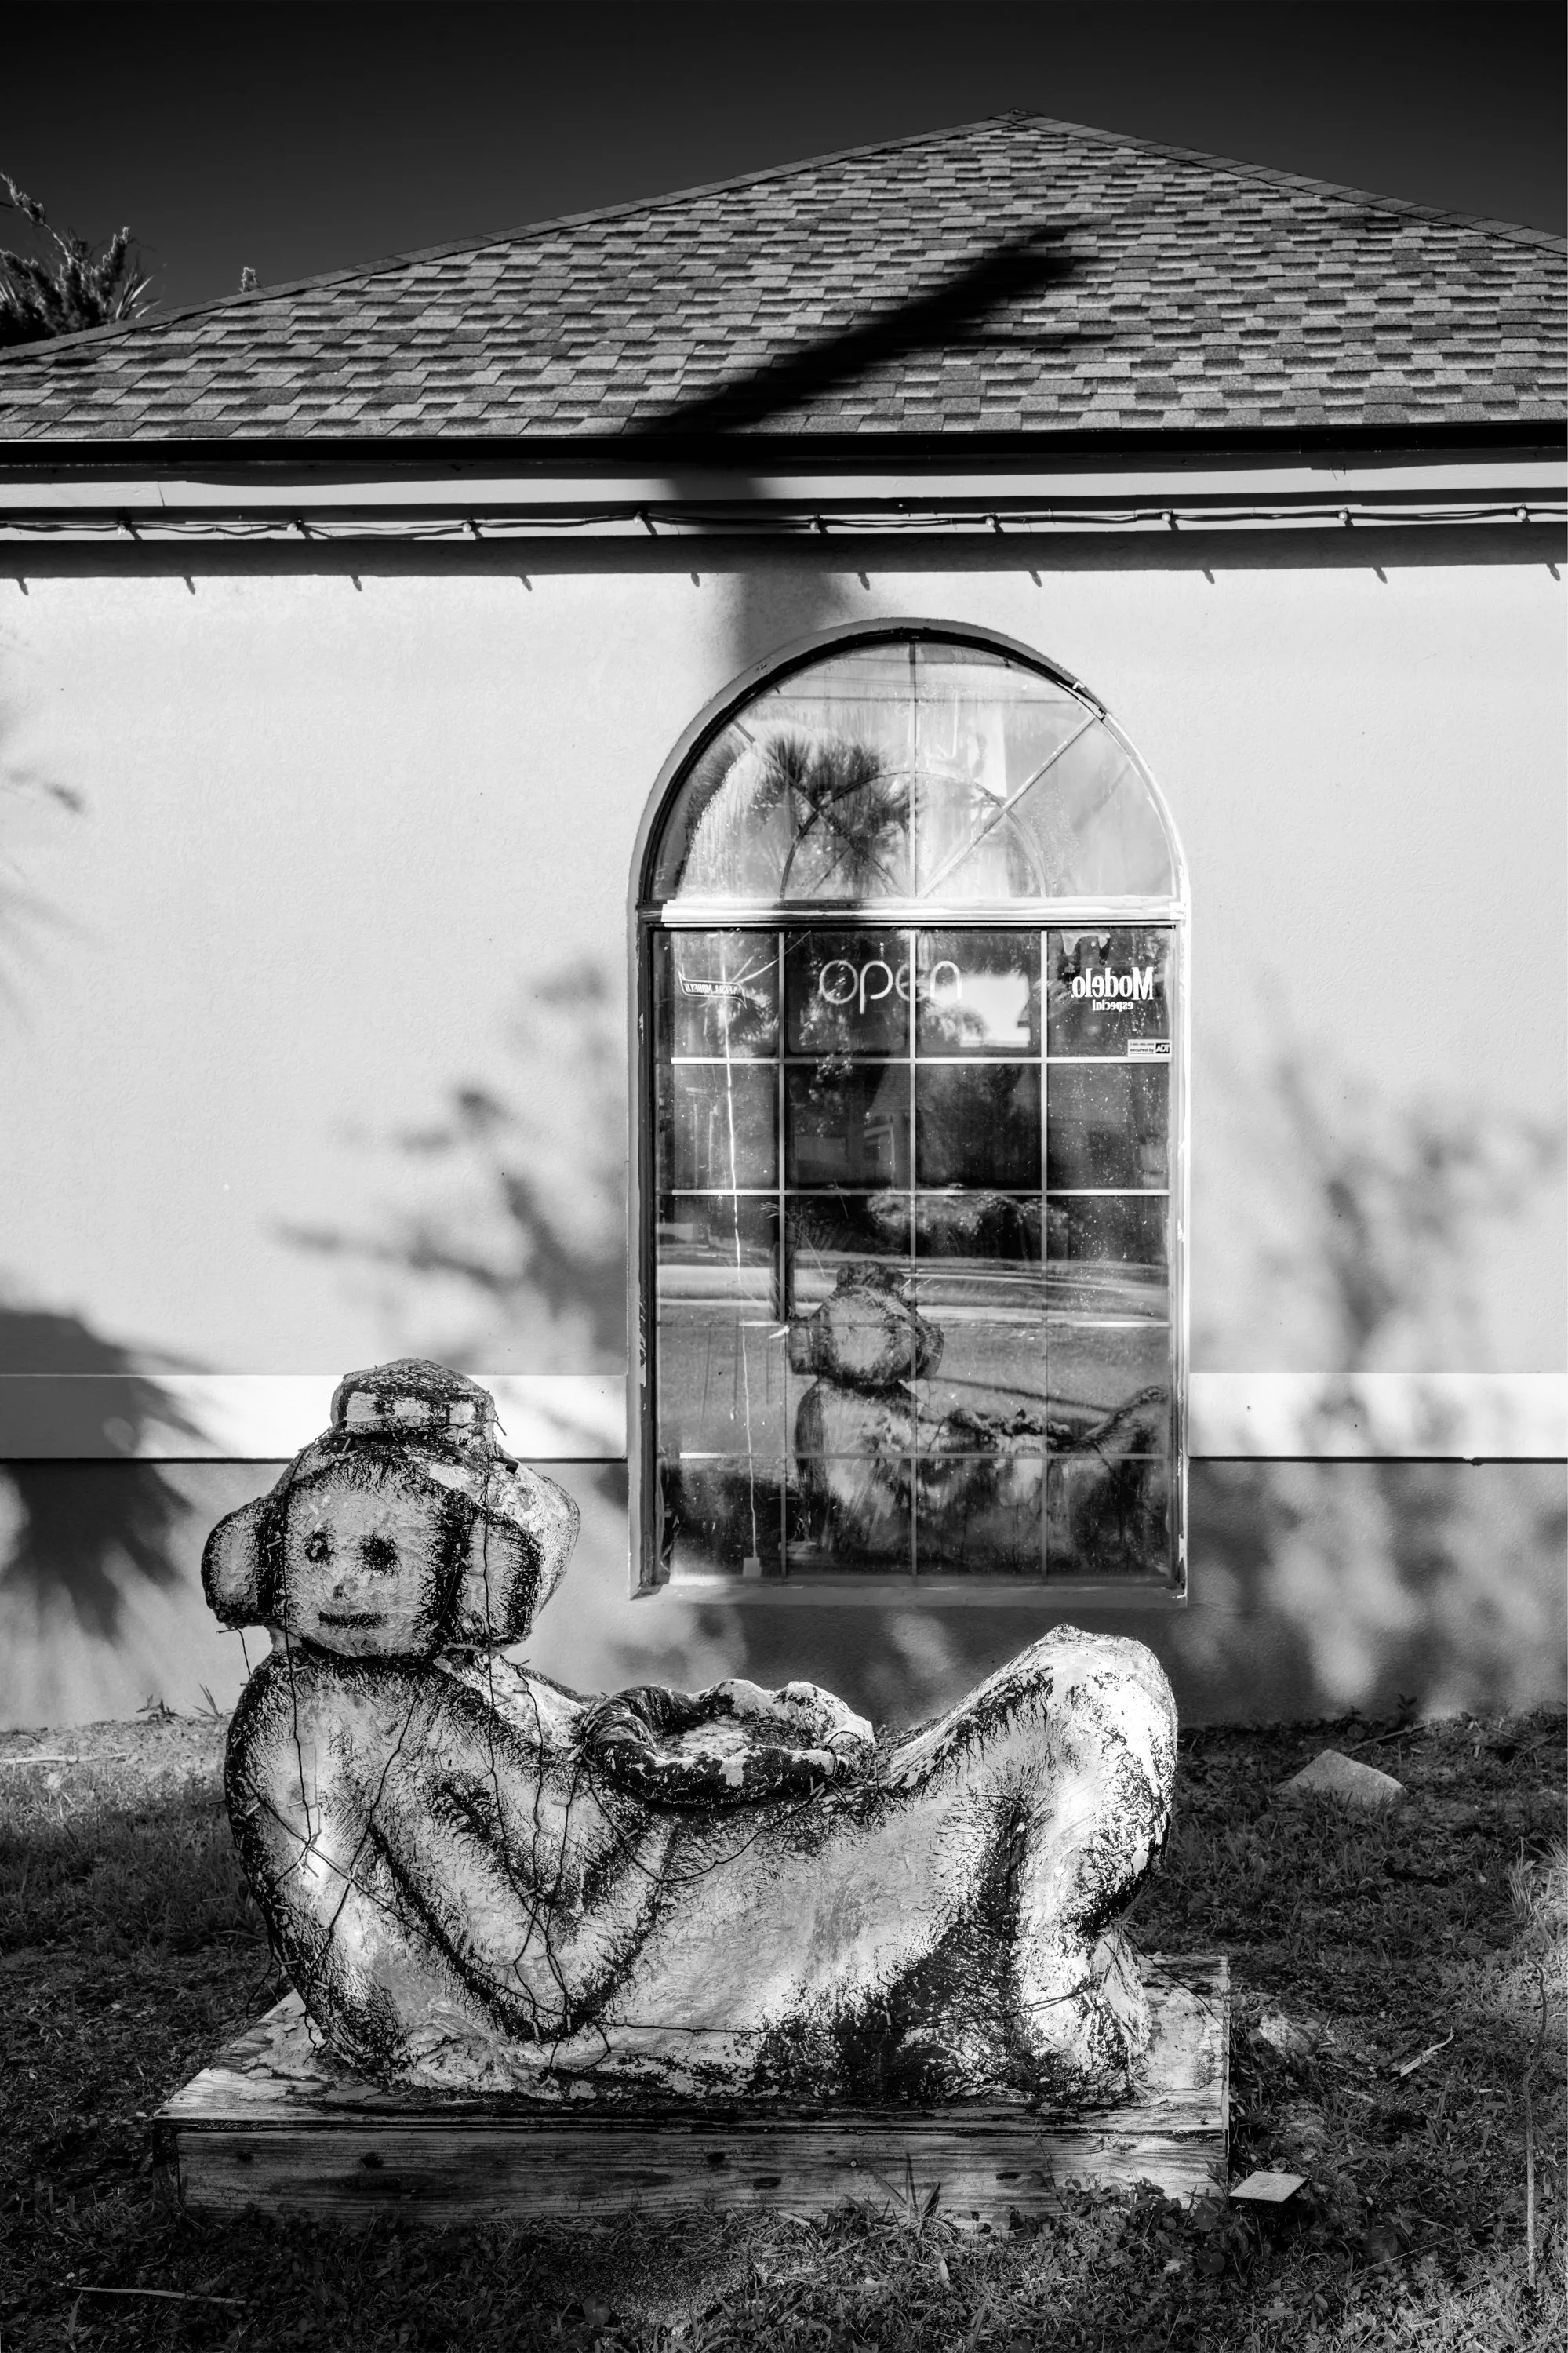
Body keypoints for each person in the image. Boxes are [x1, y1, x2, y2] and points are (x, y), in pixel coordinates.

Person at [206, 1360, 1176, 2102]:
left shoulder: (446, 1684)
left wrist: (713, 1731)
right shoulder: (339, 1714)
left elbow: (579, 1755)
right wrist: (692, 1801)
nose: (338, 1584)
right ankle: (1033, 1988)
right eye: (318, 1548)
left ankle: (1036, 1963)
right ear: (270, 1556)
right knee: (1064, 1713)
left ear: (472, 1564)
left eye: (383, 1552)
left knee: (1068, 1700)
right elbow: (545, 1985)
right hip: (692, 1943)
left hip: (710, 1889)